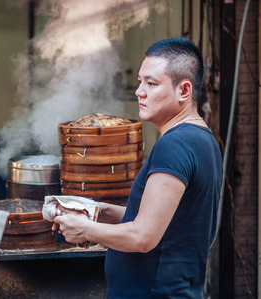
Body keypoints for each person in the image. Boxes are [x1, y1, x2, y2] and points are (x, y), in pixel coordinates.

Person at [52, 37, 223, 298]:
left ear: (184, 91)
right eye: (140, 82)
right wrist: (100, 211)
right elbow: (165, 223)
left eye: (152, 84)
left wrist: (84, 229)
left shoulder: (174, 145)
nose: (139, 92)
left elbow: (144, 236)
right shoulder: (203, 140)